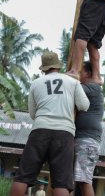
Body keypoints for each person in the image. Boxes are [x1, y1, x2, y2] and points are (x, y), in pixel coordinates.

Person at [9, 51, 90, 196]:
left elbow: (33, 114)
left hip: (40, 130)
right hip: (64, 133)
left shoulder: (35, 83)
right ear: (58, 66)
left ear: (44, 68)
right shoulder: (73, 82)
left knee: (23, 177)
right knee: (62, 182)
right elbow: (84, 105)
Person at [74, 61, 104, 196]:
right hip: (80, 138)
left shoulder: (93, 87)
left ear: (88, 73)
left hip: (87, 140)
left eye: (79, 71)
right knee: (77, 179)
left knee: (84, 180)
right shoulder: (86, 87)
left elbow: (71, 88)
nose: (77, 75)